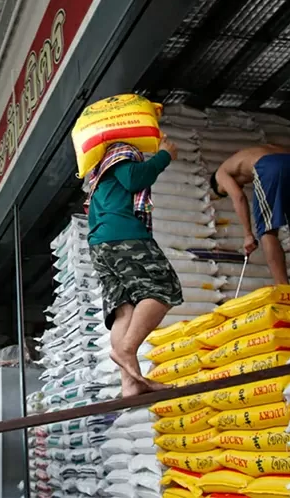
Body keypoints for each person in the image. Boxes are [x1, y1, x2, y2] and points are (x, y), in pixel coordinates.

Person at [86, 137, 183, 398]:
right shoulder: (120, 152)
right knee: (163, 288)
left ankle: (130, 384)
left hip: (99, 243)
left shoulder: (97, 172)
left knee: (124, 308)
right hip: (123, 235)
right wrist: (164, 156)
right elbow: (134, 179)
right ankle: (126, 349)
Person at [209, 144, 290, 286]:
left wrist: (247, 234)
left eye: (224, 191)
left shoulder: (220, 174)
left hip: (270, 166)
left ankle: (283, 288)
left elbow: (239, 197)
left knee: (267, 230)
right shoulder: (246, 153)